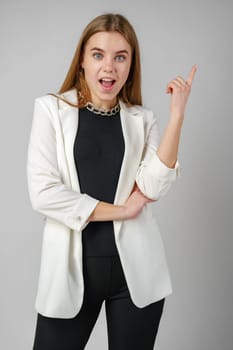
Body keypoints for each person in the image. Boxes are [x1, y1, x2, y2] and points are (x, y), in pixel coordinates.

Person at [27, 12, 197, 350]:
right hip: (69, 273)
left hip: (135, 275)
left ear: (131, 65)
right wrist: (121, 210)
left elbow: (153, 187)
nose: (109, 66)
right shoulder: (50, 110)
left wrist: (177, 116)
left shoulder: (142, 120)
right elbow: (43, 195)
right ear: (82, 62)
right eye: (98, 55)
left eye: (121, 57)